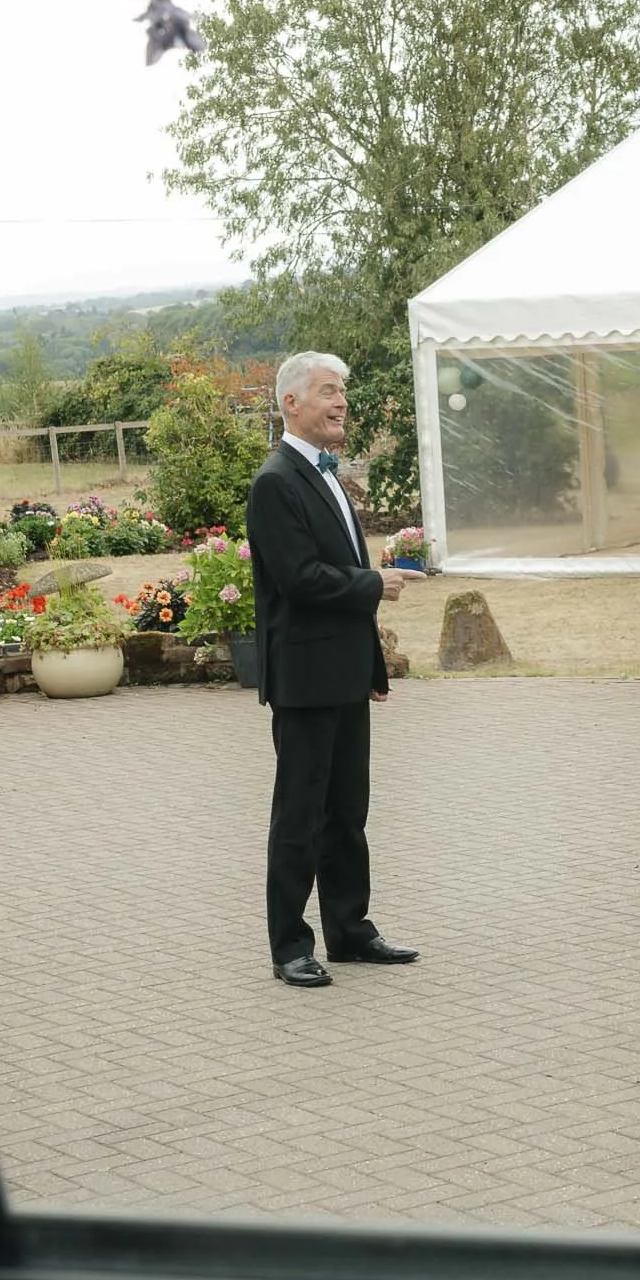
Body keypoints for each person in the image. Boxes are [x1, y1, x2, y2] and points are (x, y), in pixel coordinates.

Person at [245, 351, 418, 989]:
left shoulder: (325, 474)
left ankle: (350, 930)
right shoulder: (275, 481)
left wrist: (371, 668)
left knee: (348, 811)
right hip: (304, 679)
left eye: (342, 391)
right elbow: (299, 579)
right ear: (292, 404)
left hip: (343, 676)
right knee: (301, 814)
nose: (340, 402)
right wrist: (375, 581)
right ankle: (290, 944)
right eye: (326, 392)